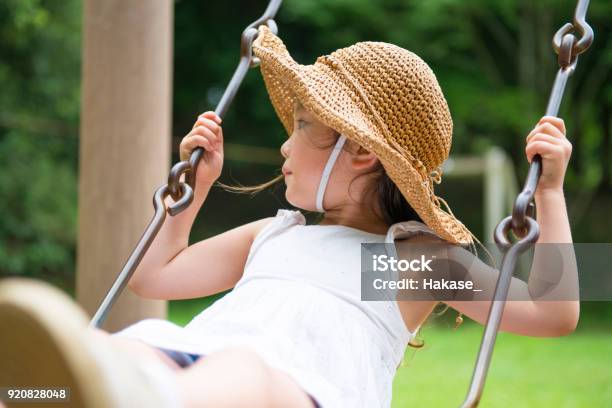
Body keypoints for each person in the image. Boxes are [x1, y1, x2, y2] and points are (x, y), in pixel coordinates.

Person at [0, 24, 578, 408]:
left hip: (300, 391)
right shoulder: (272, 237)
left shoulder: (406, 263)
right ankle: (53, 389)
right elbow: (155, 277)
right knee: (136, 346)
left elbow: (553, 312)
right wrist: (193, 192)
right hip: (195, 368)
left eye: (302, 124)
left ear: (360, 150)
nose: (284, 144)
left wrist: (549, 195)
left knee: (242, 372)